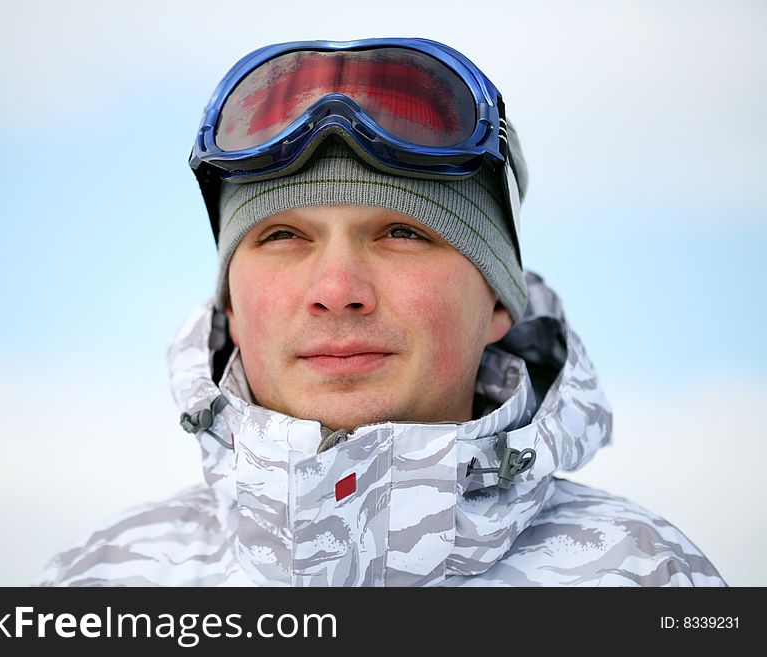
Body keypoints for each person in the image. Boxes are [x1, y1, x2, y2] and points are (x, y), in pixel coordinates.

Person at [36, 38, 725, 587]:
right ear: (232, 311)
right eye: (282, 236)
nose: (337, 288)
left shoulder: (645, 576)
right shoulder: (94, 586)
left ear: (497, 303)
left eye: (403, 232)